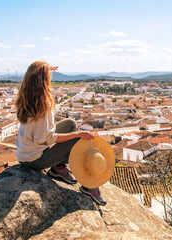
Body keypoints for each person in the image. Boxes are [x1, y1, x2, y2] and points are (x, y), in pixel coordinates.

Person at [15, 60, 106, 205]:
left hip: (25, 153)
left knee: (70, 124)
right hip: (34, 159)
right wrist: (77, 135)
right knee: (80, 141)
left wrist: (44, 68)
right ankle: (90, 187)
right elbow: (49, 138)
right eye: (48, 75)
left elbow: (45, 136)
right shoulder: (43, 104)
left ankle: (58, 168)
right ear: (44, 80)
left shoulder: (25, 97)